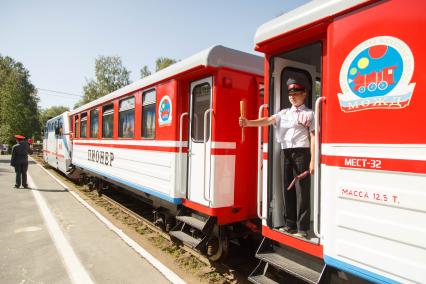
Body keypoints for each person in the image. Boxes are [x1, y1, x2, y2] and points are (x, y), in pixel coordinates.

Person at [239, 78, 315, 238]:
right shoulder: (283, 113)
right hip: (285, 152)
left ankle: (302, 227)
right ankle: (290, 224)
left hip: (302, 152)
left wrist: (313, 159)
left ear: (304, 95)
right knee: (287, 187)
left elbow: (313, 136)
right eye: (290, 94)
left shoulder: (310, 113)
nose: (292, 97)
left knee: (303, 190)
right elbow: (267, 120)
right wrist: (248, 123)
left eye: (296, 94)